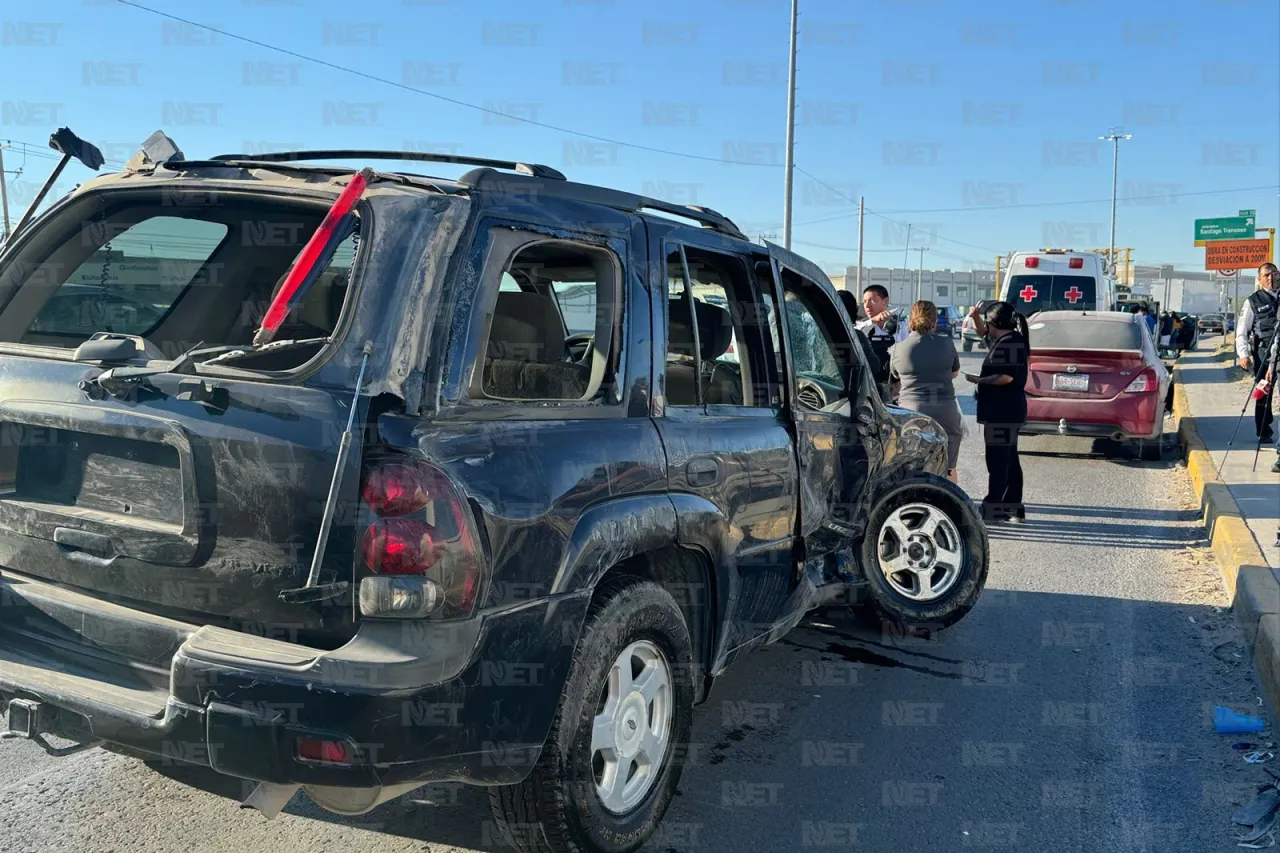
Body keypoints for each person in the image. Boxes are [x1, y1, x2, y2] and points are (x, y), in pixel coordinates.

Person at [965, 300, 1031, 523]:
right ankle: (1013, 506)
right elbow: (984, 333)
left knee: (998, 460)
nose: (984, 326)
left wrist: (979, 380)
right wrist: (974, 316)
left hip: (1002, 412)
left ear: (994, 321)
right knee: (1008, 459)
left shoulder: (1010, 343)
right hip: (1006, 411)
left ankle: (994, 507)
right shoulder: (1007, 339)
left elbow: (1006, 376)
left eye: (986, 320)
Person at [891, 301, 964, 483]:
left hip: (912, 412)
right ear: (935, 319)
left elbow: (895, 376)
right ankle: (948, 506)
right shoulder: (947, 343)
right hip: (946, 410)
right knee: (949, 466)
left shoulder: (899, 348)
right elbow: (954, 372)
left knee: (911, 465)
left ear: (910, 319)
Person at [1236, 262, 1280, 442]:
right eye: (1267, 275)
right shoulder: (1252, 301)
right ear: (1260, 279)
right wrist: (1243, 354)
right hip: (1263, 352)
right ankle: (1263, 429)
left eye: (1274, 274)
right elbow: (1242, 330)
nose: (1271, 278)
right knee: (1263, 391)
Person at [855, 284, 908, 400]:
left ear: (885, 301)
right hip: (868, 388)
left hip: (896, 389)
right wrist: (872, 321)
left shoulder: (902, 324)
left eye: (873, 301)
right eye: (864, 302)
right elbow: (853, 334)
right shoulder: (862, 325)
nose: (867, 306)